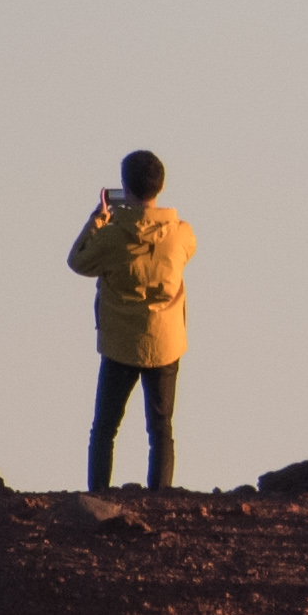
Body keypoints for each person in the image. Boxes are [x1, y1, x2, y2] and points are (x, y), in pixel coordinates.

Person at [67, 150, 194, 492]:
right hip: (165, 342)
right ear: (160, 185)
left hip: (120, 344)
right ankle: (160, 497)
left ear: (125, 187)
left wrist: (98, 220)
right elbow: (187, 249)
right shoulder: (181, 234)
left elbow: (77, 261)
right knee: (161, 429)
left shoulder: (111, 237)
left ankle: (98, 494)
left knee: (104, 429)